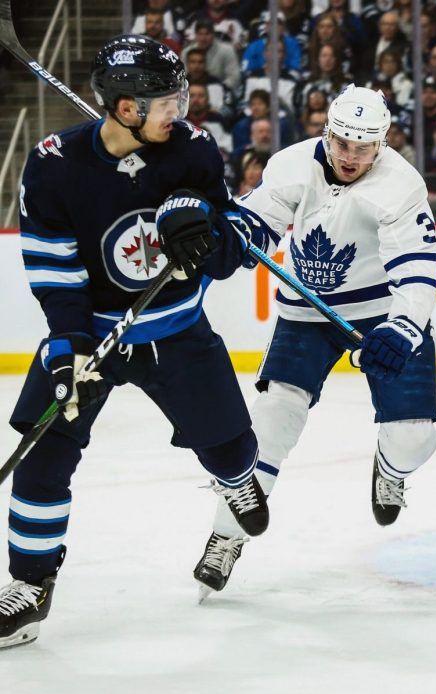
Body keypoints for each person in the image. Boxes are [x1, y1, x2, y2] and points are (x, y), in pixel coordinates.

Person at [0, 35, 271, 650]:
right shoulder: (53, 166)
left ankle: (235, 476)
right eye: (167, 100)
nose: (180, 108)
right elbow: (55, 273)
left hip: (176, 331)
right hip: (92, 339)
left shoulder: (192, 150)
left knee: (230, 447)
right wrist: (66, 351)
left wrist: (200, 225)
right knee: (41, 458)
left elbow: (229, 247)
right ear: (126, 109)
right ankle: (30, 585)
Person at [192, 85, 436, 598]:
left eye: (362, 147)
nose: (348, 157)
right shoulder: (290, 164)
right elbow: (256, 224)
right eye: (340, 142)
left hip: (380, 315)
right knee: (274, 420)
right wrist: (229, 241)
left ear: (383, 144)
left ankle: (391, 468)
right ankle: (225, 536)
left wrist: (402, 327)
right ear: (326, 132)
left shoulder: (402, 185)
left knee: (413, 434)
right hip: (305, 313)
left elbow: (416, 272)